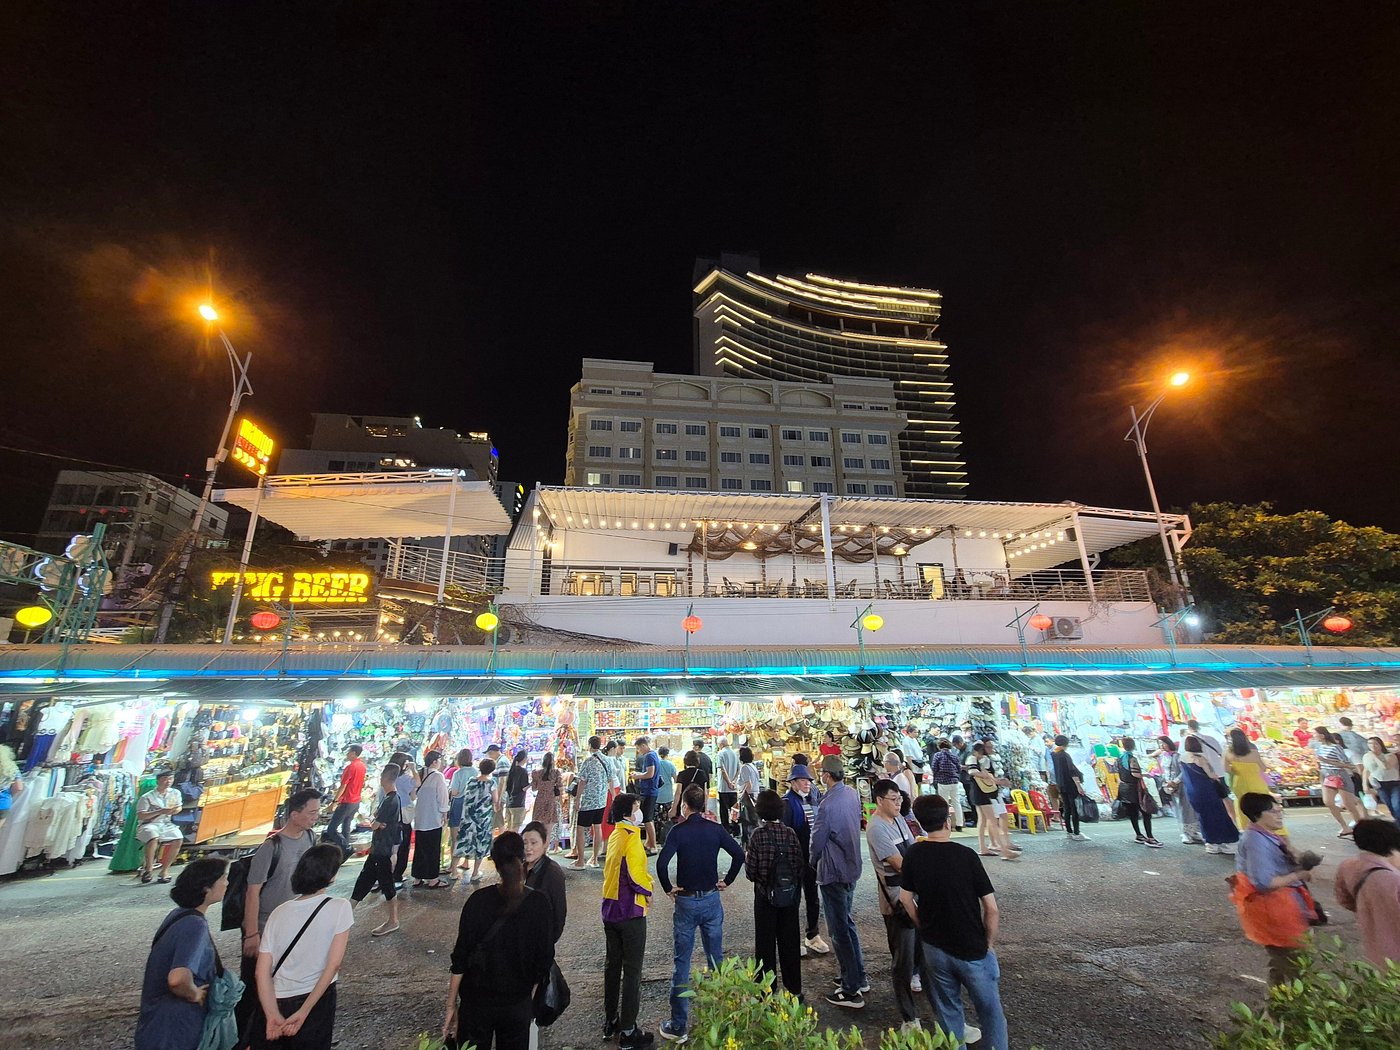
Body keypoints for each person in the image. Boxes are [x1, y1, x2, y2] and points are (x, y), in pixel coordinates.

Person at [900, 794, 1007, 1050]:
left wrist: (922, 924)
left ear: (920, 822)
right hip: (972, 947)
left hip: (934, 946)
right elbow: (991, 908)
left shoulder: (914, 853)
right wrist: (988, 943)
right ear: (947, 821)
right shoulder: (966, 855)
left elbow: (905, 899)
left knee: (948, 1012)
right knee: (991, 1013)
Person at [443, 831, 555, 1050]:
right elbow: (544, 959)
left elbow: (460, 958)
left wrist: (450, 1005)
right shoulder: (538, 903)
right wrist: (527, 998)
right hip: (517, 1003)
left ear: (494, 862)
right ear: (522, 859)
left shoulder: (478, 901)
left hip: (475, 1004)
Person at [656, 783, 745, 1042]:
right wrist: (727, 880)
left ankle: (678, 1025)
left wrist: (668, 888)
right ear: (703, 805)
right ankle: (721, 1018)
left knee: (682, 962)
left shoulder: (678, 831)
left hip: (685, 900)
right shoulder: (715, 829)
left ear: (685, 806)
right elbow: (739, 854)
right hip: (711, 898)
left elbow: (662, 863)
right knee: (716, 959)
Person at [237, 788, 323, 1044]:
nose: (316, 817)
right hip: (265, 928)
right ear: (294, 815)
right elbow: (253, 892)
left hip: (295, 927)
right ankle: (245, 1039)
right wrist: (251, 933)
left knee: (286, 985)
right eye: (312, 812)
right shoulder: (270, 847)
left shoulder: (310, 837)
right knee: (255, 989)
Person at [254, 844, 352, 1050]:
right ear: (330, 876)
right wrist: (304, 1011)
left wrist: (271, 1014)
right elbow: (333, 965)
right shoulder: (340, 907)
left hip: (277, 997)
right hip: (316, 998)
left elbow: (261, 971)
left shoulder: (279, 912)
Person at [136, 857, 230, 1050]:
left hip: (155, 1025)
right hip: (176, 1030)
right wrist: (194, 994)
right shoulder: (195, 925)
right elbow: (177, 979)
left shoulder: (178, 914)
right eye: (223, 878)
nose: (227, 883)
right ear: (206, 887)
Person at [1231, 793, 1322, 987]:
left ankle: (1277, 1002)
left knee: (1284, 962)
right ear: (1257, 814)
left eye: (1280, 811)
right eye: (1273, 812)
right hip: (1274, 911)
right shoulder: (1255, 841)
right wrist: (1298, 875)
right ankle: (1288, 1003)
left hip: (1283, 909)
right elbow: (1264, 882)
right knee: (1294, 963)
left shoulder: (1266, 836)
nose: (1279, 815)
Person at [866, 778, 925, 1033]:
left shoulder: (899, 819)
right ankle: (909, 1018)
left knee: (921, 951)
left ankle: (919, 983)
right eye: (894, 799)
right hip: (897, 901)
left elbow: (911, 849)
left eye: (900, 798)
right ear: (879, 801)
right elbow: (899, 863)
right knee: (902, 959)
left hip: (913, 892)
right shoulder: (876, 828)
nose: (899, 803)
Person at [811, 755, 868, 1009]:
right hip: (851, 867)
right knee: (847, 923)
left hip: (833, 870)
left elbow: (817, 840)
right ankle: (857, 975)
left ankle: (850, 989)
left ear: (826, 775)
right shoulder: (852, 794)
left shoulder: (827, 804)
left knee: (839, 930)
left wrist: (811, 861)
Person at [600, 793, 654, 1049]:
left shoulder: (615, 834)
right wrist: (649, 890)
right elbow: (635, 875)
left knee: (612, 966)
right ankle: (629, 1031)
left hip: (610, 909)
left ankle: (611, 1019)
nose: (639, 811)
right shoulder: (632, 837)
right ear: (627, 813)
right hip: (629, 911)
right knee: (632, 971)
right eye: (636, 807)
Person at [746, 788, 804, 1000]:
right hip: (789, 896)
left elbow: (751, 871)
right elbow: (799, 864)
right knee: (790, 942)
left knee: (765, 945)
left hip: (764, 896)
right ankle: (794, 990)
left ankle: (766, 992)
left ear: (760, 810)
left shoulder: (757, 835)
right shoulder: (790, 833)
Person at [1333, 818, 1400, 969]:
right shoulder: (1394, 880)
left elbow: (1344, 900)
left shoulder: (1347, 867)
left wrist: (1369, 911)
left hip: (1376, 951)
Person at [780, 763, 829, 957]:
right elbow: (786, 833)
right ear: (793, 783)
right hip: (794, 860)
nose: (807, 783)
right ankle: (792, 939)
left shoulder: (813, 799)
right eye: (802, 780)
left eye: (808, 780)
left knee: (812, 898)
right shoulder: (787, 803)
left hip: (811, 859)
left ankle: (812, 934)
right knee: (793, 900)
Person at [349, 763, 402, 937]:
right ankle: (345, 915)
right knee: (365, 880)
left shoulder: (390, 801)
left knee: (385, 884)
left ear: (384, 778)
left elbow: (374, 825)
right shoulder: (393, 799)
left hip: (382, 850)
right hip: (380, 849)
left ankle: (393, 920)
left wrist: (374, 822)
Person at [1180, 736, 1240, 855]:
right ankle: (1227, 842)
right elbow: (1211, 775)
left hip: (1192, 792)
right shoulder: (1200, 759)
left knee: (1204, 817)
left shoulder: (1182, 758)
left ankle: (1211, 843)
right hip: (1207, 791)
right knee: (1218, 815)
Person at [966, 742, 1017, 861]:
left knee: (983, 820)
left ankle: (984, 847)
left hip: (980, 792)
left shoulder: (978, 759)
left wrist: (994, 779)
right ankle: (1004, 850)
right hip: (981, 792)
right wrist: (988, 776)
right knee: (992, 820)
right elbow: (972, 772)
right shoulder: (974, 759)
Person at [1312, 726, 1366, 836]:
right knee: (1328, 802)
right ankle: (1344, 826)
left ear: (1322, 735)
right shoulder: (1319, 748)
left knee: (1349, 804)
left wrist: (1328, 761)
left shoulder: (1336, 747)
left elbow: (1347, 764)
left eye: (1315, 733)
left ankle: (1361, 828)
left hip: (1339, 774)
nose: (1314, 736)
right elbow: (1321, 764)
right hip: (1326, 775)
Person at [137, 770, 185, 885]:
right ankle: (148, 869)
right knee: (153, 836)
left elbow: (179, 807)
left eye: (170, 779)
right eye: (165, 779)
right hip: (149, 824)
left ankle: (164, 871)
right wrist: (160, 811)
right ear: (158, 781)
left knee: (178, 838)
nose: (168, 782)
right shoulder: (147, 797)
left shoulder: (175, 793)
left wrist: (174, 811)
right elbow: (141, 815)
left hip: (166, 824)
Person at [453, 758, 498, 883]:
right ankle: (475, 873)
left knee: (462, 841)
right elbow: (495, 799)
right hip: (482, 819)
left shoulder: (471, 781)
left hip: (467, 818)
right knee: (480, 843)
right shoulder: (491, 783)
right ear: (492, 770)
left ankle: (453, 871)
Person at [1115, 738, 1163, 848]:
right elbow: (1135, 774)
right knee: (1146, 812)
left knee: (1133, 813)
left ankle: (1139, 835)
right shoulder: (1132, 759)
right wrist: (1145, 775)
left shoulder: (1120, 758)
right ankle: (1150, 838)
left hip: (1124, 789)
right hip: (1134, 789)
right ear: (1133, 746)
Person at [412, 750, 450, 888]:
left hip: (420, 818)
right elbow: (443, 797)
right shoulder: (438, 776)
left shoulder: (420, 774)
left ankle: (417, 877)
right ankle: (433, 879)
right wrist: (444, 813)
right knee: (432, 849)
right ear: (434, 762)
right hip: (433, 818)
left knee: (420, 849)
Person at [572, 736, 611, 869]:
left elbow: (582, 782)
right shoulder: (607, 760)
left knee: (581, 828)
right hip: (601, 800)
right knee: (597, 827)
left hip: (588, 800)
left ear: (589, 745)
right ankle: (594, 859)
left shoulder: (588, 761)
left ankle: (580, 861)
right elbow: (610, 779)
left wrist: (577, 799)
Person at [1226, 729, 1274, 831]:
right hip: (1256, 782)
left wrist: (1237, 769)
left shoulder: (1228, 754)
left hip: (1239, 783)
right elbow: (1263, 768)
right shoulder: (1254, 753)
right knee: (1261, 804)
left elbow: (1226, 769)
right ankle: (1265, 827)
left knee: (1243, 805)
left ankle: (1247, 828)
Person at [1159, 735, 1202, 845]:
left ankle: (1190, 832)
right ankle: (1186, 832)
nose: (1162, 746)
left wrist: (1175, 781)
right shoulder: (1163, 757)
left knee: (1186, 809)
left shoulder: (1177, 756)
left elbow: (1183, 772)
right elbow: (1164, 770)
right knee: (1178, 809)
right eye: (1160, 744)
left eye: (1163, 743)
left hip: (1181, 785)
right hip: (1171, 786)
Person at [1049, 735, 1089, 842]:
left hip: (1061, 784)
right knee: (1074, 809)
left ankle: (1069, 831)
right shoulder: (1065, 755)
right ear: (1066, 744)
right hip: (1070, 785)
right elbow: (1072, 771)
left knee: (1067, 808)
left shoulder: (1054, 754)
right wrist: (1079, 786)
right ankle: (1076, 832)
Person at [325, 745, 366, 848]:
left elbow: (343, 786)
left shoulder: (351, 767)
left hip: (348, 801)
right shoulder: (362, 766)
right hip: (356, 801)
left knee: (332, 829)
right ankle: (345, 850)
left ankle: (346, 847)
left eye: (348, 752)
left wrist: (334, 802)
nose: (347, 754)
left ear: (353, 753)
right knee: (346, 827)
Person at [390, 754, 418, 886]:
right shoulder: (405, 778)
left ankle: (386, 875)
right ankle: (397, 876)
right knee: (402, 846)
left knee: (392, 847)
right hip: (403, 815)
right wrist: (414, 769)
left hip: (390, 814)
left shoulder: (388, 776)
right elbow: (417, 784)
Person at [928, 740, 967, 832]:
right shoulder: (954, 755)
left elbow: (934, 768)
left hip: (943, 781)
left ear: (939, 746)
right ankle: (959, 824)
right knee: (956, 803)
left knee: (944, 804)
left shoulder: (938, 755)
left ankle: (945, 823)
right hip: (954, 781)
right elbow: (959, 768)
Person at [530, 750, 563, 852]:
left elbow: (534, 788)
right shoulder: (556, 773)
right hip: (551, 801)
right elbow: (560, 787)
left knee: (538, 830)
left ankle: (537, 851)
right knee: (548, 831)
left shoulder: (536, 773)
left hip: (540, 801)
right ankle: (545, 852)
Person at [633, 736, 661, 853]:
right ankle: (649, 843)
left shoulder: (649, 756)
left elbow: (650, 774)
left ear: (644, 745)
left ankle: (653, 845)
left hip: (649, 791)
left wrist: (637, 776)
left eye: (639, 748)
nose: (639, 751)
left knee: (647, 819)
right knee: (649, 818)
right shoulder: (653, 755)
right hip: (651, 790)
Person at [1363, 737, 1400, 819]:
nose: (1373, 746)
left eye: (1375, 744)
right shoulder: (1366, 756)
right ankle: (1397, 821)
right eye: (1370, 743)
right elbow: (1366, 770)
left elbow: (1386, 767)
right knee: (1389, 804)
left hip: (1394, 783)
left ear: (1380, 745)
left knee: (1396, 804)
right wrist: (1365, 784)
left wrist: (1375, 756)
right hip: (1379, 784)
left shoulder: (1389, 755)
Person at [1337, 717, 1371, 799]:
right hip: (1360, 764)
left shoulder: (1340, 736)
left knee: (1356, 793)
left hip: (1353, 770)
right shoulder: (1359, 736)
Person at [671, 751, 709, 821]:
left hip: (685, 805)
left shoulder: (682, 774)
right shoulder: (702, 774)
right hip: (698, 805)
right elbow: (705, 793)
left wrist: (674, 808)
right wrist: (705, 808)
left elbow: (678, 793)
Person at [735, 745, 762, 845]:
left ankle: (748, 844)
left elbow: (748, 785)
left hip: (748, 798)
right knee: (753, 821)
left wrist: (741, 796)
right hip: (754, 795)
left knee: (747, 821)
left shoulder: (745, 768)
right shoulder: (752, 766)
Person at [716, 737, 740, 835]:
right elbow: (738, 769)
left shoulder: (720, 753)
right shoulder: (735, 753)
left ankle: (725, 831)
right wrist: (734, 781)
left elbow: (722, 770)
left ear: (721, 744)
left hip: (724, 787)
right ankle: (736, 830)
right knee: (734, 810)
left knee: (724, 811)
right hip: (734, 788)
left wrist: (729, 782)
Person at [448, 748, 474, 836]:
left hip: (459, 801)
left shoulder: (458, 773)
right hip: (471, 801)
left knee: (455, 825)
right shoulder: (476, 771)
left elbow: (454, 792)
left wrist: (449, 791)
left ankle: (455, 843)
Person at [654, 747, 677, 838]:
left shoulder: (655, 764)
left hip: (656, 794)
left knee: (656, 817)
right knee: (667, 817)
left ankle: (657, 835)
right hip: (668, 795)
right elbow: (676, 779)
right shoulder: (671, 765)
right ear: (667, 754)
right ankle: (666, 836)